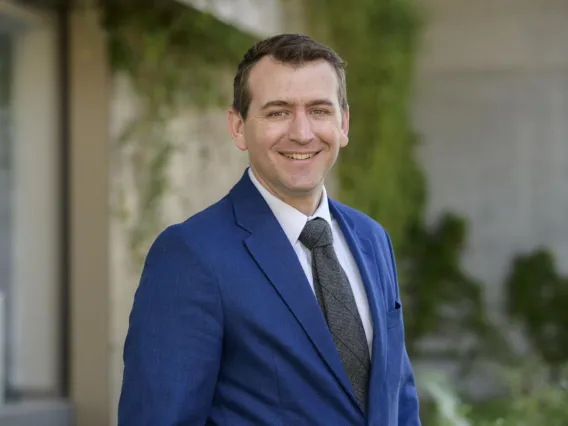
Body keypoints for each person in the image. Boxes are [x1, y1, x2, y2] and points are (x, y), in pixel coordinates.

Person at [118, 33, 421, 426]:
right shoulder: (191, 256)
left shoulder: (372, 239)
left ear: (343, 123)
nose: (301, 132)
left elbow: (399, 398)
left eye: (319, 110)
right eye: (278, 112)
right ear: (239, 126)